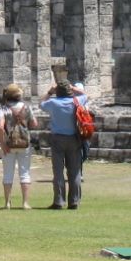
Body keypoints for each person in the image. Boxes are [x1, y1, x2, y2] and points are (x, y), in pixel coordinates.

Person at [41, 81, 83, 210]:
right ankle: (74, 200)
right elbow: (86, 94)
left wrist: (50, 91)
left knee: (58, 171)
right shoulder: (77, 101)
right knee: (75, 171)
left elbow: (41, 103)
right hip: (74, 138)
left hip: (58, 138)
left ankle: (59, 200)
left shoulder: (53, 103)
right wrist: (73, 87)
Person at [0, 83, 38, 210]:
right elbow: (34, 124)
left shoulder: (3, 109)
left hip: (9, 144)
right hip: (24, 143)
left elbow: (0, 127)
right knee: (25, 173)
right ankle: (25, 203)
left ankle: (7, 203)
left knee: (8, 174)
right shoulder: (26, 107)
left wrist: (2, 143)